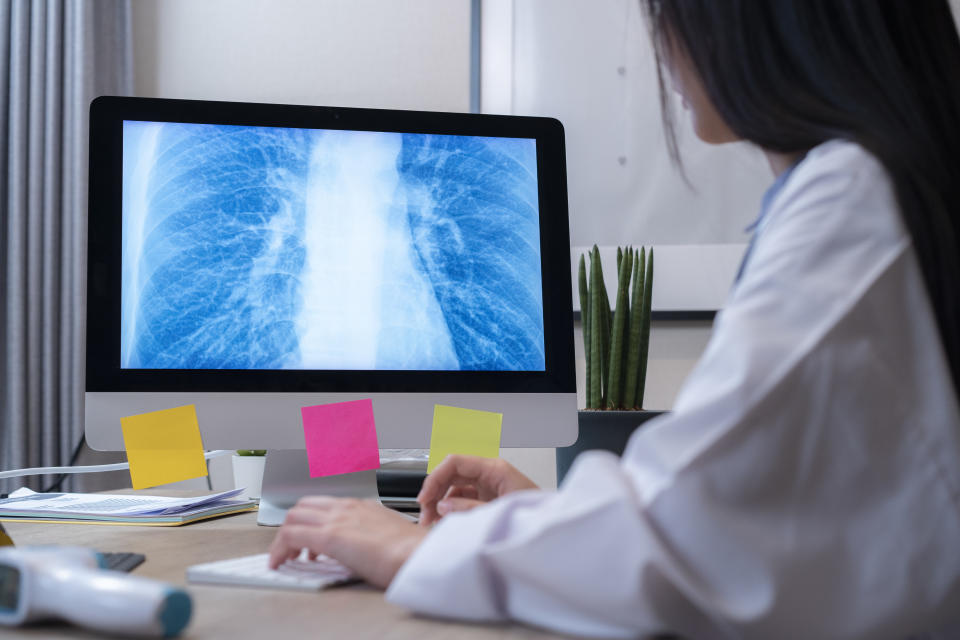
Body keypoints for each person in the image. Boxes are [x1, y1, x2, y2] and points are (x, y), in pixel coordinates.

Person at [268, 1, 960, 637]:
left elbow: (687, 542)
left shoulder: (851, 199)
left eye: (671, 16)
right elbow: (789, 524)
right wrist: (545, 524)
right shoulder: (885, 186)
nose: (665, 50)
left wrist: (410, 546)